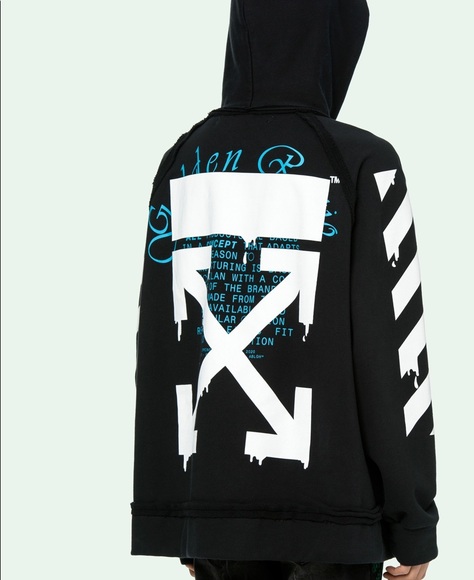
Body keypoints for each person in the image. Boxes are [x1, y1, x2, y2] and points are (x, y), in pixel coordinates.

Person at [131, 1, 439, 579]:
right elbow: (392, 353)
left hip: (214, 516)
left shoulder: (182, 160)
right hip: (336, 522)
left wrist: (185, 521)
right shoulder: (363, 161)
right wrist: (413, 521)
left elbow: (161, 349)